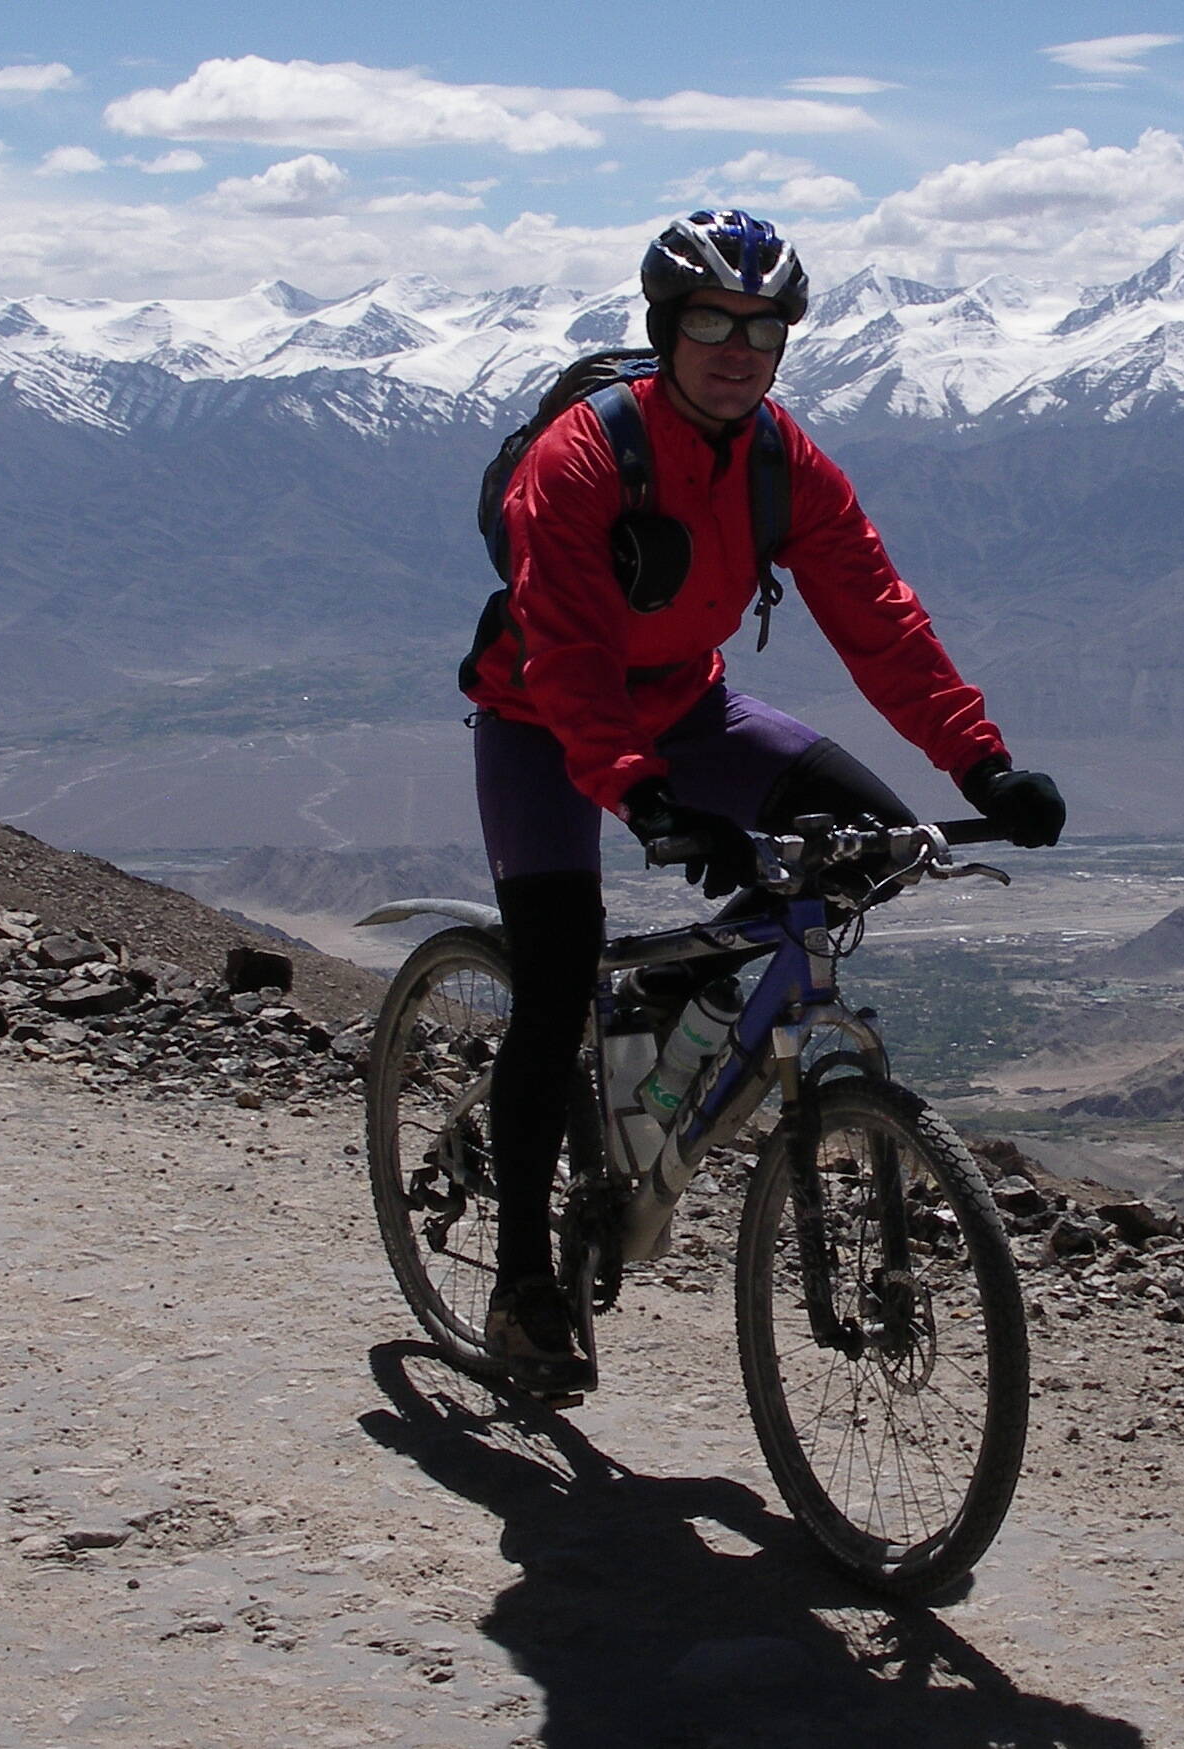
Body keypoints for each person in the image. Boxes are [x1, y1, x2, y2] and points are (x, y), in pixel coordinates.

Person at [463, 210, 1064, 1387]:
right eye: (709, 322)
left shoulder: (782, 460)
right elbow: (571, 655)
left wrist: (979, 764)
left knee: (865, 843)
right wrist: (637, 797)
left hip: (690, 708)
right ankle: (523, 1282)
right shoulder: (581, 456)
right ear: (664, 328)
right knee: (550, 980)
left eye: (761, 327)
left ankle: (678, 1001)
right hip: (543, 718)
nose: (736, 348)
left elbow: (877, 617)